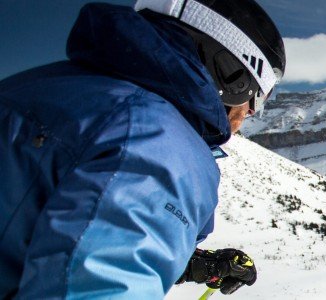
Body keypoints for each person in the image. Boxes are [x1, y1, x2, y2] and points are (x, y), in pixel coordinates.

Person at [0, 0, 285, 298]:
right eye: (256, 101)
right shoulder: (157, 140)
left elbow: (72, 235)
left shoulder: (39, 86)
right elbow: (102, 284)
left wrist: (198, 263)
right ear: (232, 76)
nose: (250, 114)